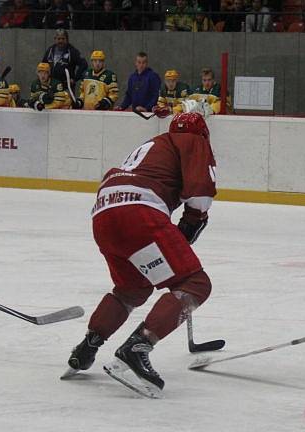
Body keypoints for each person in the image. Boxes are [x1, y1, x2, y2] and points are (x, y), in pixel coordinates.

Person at [66, 110, 217, 398]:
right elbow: (199, 195)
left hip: (104, 213)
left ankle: (88, 346)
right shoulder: (193, 140)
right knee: (196, 284)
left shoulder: (156, 143)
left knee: (132, 289)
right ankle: (138, 347)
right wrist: (194, 221)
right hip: (139, 211)